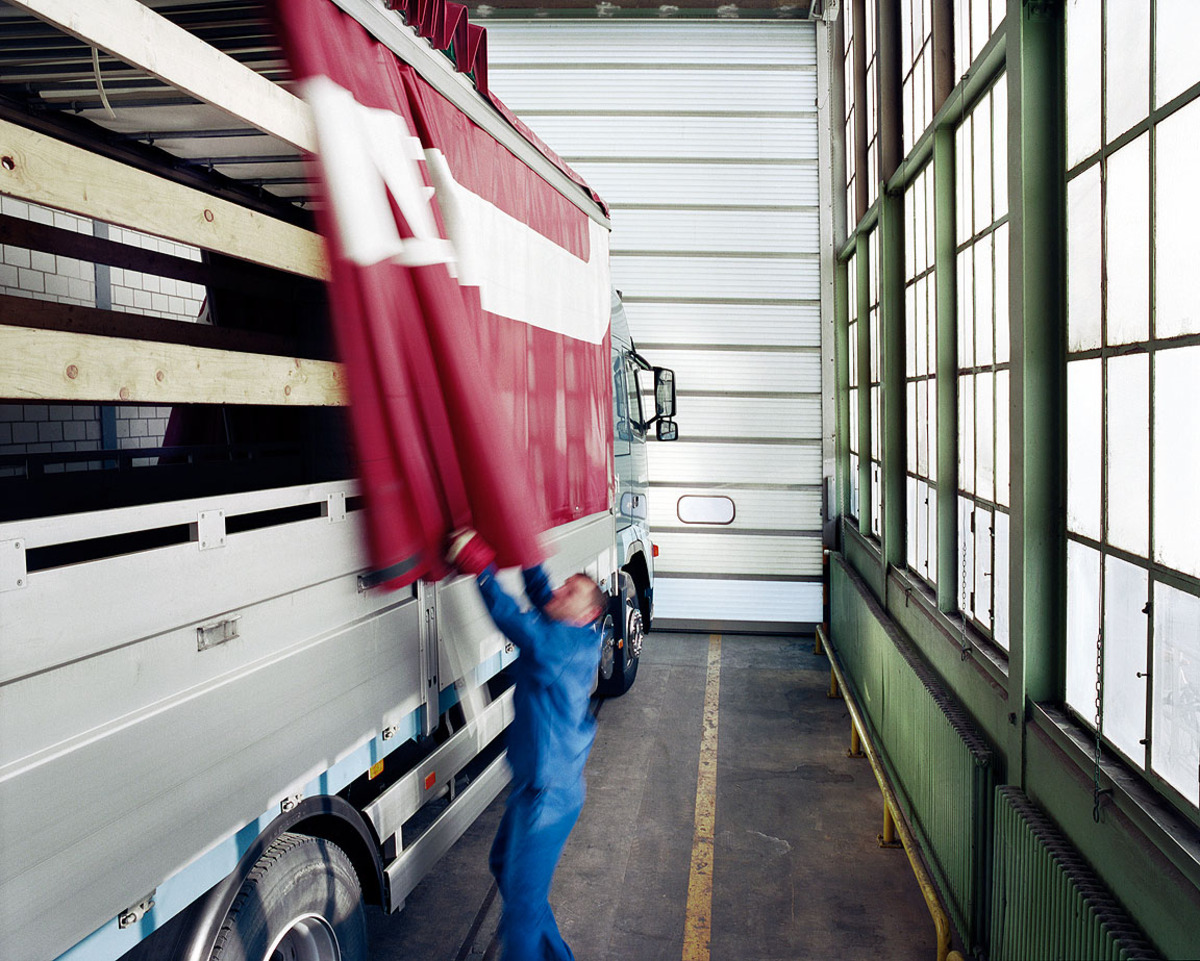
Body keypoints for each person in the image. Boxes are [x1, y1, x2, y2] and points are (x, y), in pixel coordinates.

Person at [445, 528, 605, 961]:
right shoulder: (572, 632)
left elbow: (513, 619)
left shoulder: (562, 645)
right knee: (504, 868)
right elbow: (538, 592)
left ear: (585, 614)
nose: (558, 590)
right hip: (534, 789)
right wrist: (524, 545)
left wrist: (480, 564)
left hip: (547, 798)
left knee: (521, 914)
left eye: (569, 590)